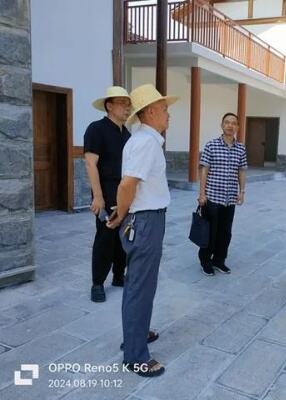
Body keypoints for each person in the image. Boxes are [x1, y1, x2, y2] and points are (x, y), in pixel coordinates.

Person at [106, 83, 178, 377]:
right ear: (150, 112)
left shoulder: (142, 139)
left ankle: (136, 334)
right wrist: (121, 214)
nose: (168, 114)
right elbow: (127, 185)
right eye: (164, 109)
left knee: (140, 285)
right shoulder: (146, 143)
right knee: (140, 287)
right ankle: (136, 355)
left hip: (147, 219)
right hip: (145, 221)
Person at [84, 86, 131, 302]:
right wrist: (98, 196)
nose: (127, 107)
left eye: (128, 103)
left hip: (125, 193)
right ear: (109, 106)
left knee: (124, 236)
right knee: (105, 238)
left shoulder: (128, 134)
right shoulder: (96, 129)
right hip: (106, 192)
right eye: (122, 103)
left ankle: (119, 276)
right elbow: (91, 164)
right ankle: (97, 283)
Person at [197, 112, 247, 276]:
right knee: (210, 232)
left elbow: (242, 170)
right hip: (212, 196)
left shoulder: (241, 148)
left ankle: (219, 260)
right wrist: (202, 193)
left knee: (225, 232)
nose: (230, 125)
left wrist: (242, 191)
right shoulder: (211, 145)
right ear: (222, 125)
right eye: (227, 122)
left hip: (230, 198)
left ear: (237, 127)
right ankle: (205, 261)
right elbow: (204, 169)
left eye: (234, 123)